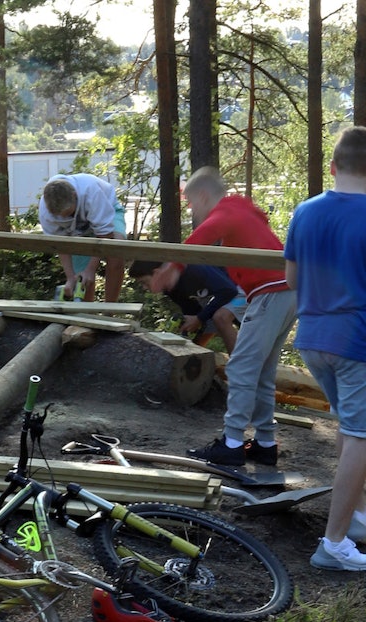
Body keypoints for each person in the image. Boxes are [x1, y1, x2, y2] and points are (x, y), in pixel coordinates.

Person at [152, 167, 293, 468]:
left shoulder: (228, 210)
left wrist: (173, 266)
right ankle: (265, 444)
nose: (193, 211)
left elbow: (203, 235)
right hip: (287, 292)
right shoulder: (244, 211)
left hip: (271, 292)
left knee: (241, 367)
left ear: (203, 196)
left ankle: (231, 445)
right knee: (263, 372)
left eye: (191, 203)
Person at [286, 126, 366, 571]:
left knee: (351, 427)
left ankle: (356, 517)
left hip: (313, 339)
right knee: (360, 435)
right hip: (357, 339)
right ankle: (333, 543)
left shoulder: (305, 211)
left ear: (333, 166)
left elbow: (294, 280)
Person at [38, 173, 127, 302]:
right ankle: (86, 316)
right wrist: (71, 278)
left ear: (75, 195)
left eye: (67, 213)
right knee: (82, 277)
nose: (63, 218)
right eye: (59, 216)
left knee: (116, 255)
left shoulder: (91, 192)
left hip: (108, 214)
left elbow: (105, 238)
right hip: (77, 232)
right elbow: (61, 246)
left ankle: (110, 312)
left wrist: (90, 269)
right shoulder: (45, 212)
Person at [128, 259, 245, 353]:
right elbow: (193, 313)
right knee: (213, 316)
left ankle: (239, 368)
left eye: (144, 282)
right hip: (226, 296)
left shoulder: (194, 270)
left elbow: (229, 290)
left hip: (243, 292)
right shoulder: (170, 289)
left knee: (220, 317)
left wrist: (199, 318)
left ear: (156, 272)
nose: (144, 287)